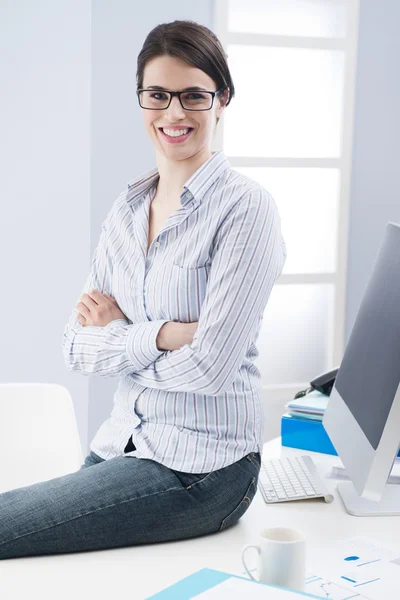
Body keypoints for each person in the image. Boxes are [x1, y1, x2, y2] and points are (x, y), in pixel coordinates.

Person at [0, 19, 286, 561]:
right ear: (141, 100)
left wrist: (122, 337)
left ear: (222, 100)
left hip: (204, 469)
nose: (174, 114)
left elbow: (210, 368)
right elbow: (73, 346)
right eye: (158, 95)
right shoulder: (128, 210)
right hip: (122, 445)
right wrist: (165, 336)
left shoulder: (246, 210)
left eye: (193, 96)